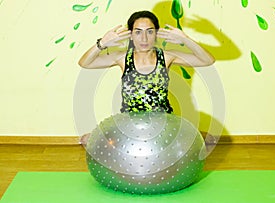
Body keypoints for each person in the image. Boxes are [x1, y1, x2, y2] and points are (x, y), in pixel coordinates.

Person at [78, 10, 215, 144]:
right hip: (129, 123)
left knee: (196, 141)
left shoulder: (166, 56)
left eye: (149, 31)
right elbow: (85, 63)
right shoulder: (122, 57)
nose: (144, 38)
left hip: (163, 123)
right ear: (130, 35)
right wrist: (102, 43)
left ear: (156, 34)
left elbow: (207, 60)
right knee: (89, 140)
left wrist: (186, 40)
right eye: (138, 32)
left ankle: (197, 134)